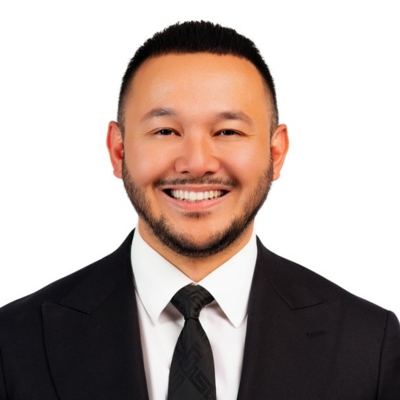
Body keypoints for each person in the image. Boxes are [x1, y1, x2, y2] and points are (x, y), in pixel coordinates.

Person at [0, 21, 399, 400]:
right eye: (165, 131)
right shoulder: (15, 341)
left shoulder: (369, 343)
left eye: (227, 131)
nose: (196, 163)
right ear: (118, 150)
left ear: (275, 153)